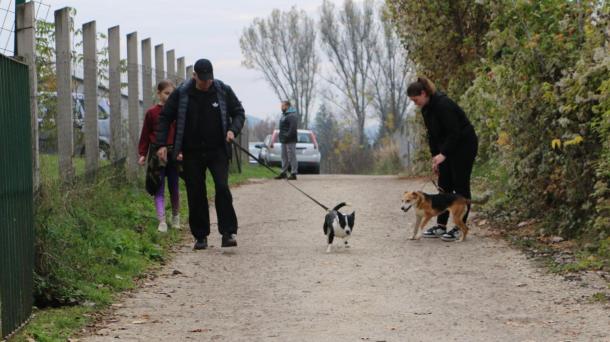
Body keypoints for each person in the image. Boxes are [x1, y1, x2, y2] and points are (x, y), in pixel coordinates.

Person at [156, 58, 245, 250]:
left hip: (218, 149)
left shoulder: (222, 90)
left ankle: (228, 233)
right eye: (202, 80)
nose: (206, 83)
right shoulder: (181, 93)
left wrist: (232, 130)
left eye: (209, 79)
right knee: (196, 192)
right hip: (191, 151)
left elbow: (238, 112)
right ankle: (201, 236)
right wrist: (161, 144)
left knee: (222, 188)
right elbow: (165, 118)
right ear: (194, 76)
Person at [407, 76, 478, 242]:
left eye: (415, 99)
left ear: (424, 93)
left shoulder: (443, 105)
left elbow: (455, 132)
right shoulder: (426, 109)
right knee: (444, 183)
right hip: (446, 147)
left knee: (460, 184)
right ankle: (441, 225)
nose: (414, 103)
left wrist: (443, 154)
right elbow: (433, 135)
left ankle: (459, 227)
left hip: (464, 145)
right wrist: (435, 157)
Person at [138, 80, 180, 233]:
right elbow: (145, 135)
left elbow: (180, 134)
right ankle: (162, 221)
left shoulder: (177, 113)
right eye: (166, 93)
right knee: (159, 187)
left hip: (173, 154)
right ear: (159, 93)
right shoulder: (152, 113)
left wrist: (181, 151)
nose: (169, 97)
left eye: (172, 94)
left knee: (174, 187)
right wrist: (142, 153)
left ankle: (176, 216)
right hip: (157, 155)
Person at [274, 100, 299, 180]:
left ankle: (293, 173)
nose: (281, 107)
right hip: (283, 139)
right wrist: (282, 137)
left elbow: (293, 128)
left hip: (290, 139)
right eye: (281, 106)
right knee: (283, 156)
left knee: (292, 156)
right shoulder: (284, 115)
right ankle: (283, 172)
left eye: (283, 106)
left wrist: (287, 136)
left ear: (287, 106)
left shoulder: (291, 115)